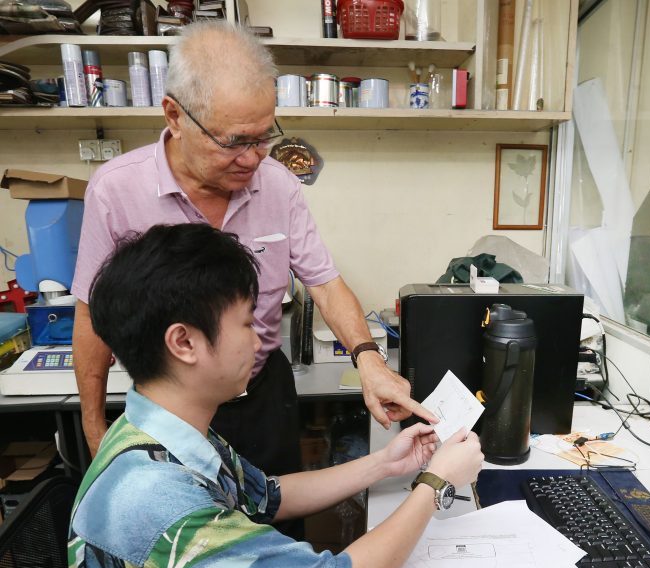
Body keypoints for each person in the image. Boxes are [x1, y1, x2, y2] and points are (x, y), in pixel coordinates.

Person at [68, 222, 483, 568]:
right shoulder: (158, 503)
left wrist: (385, 464)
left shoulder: (160, 430)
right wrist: (437, 483)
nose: (260, 339)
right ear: (183, 342)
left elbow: (270, 495)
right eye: (246, 323)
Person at [71, 20, 433, 484]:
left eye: (265, 136)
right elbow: (90, 317)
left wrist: (369, 361)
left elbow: (323, 282)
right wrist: (95, 428)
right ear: (175, 116)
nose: (254, 157)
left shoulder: (277, 186)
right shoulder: (116, 190)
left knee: (276, 520)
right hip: (172, 408)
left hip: (262, 394)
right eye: (235, 141)